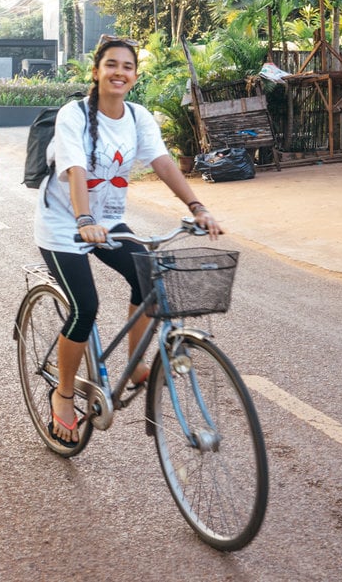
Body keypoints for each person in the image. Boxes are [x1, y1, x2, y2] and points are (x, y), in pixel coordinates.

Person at [34, 34, 221, 447]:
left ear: (135, 76)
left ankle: (136, 367)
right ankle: (63, 396)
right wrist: (84, 218)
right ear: (97, 71)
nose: (120, 72)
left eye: (128, 67)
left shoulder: (138, 117)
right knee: (86, 307)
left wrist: (197, 207)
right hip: (63, 226)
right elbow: (75, 169)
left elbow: (163, 162)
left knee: (150, 277)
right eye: (112, 65)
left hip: (110, 223)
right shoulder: (74, 114)